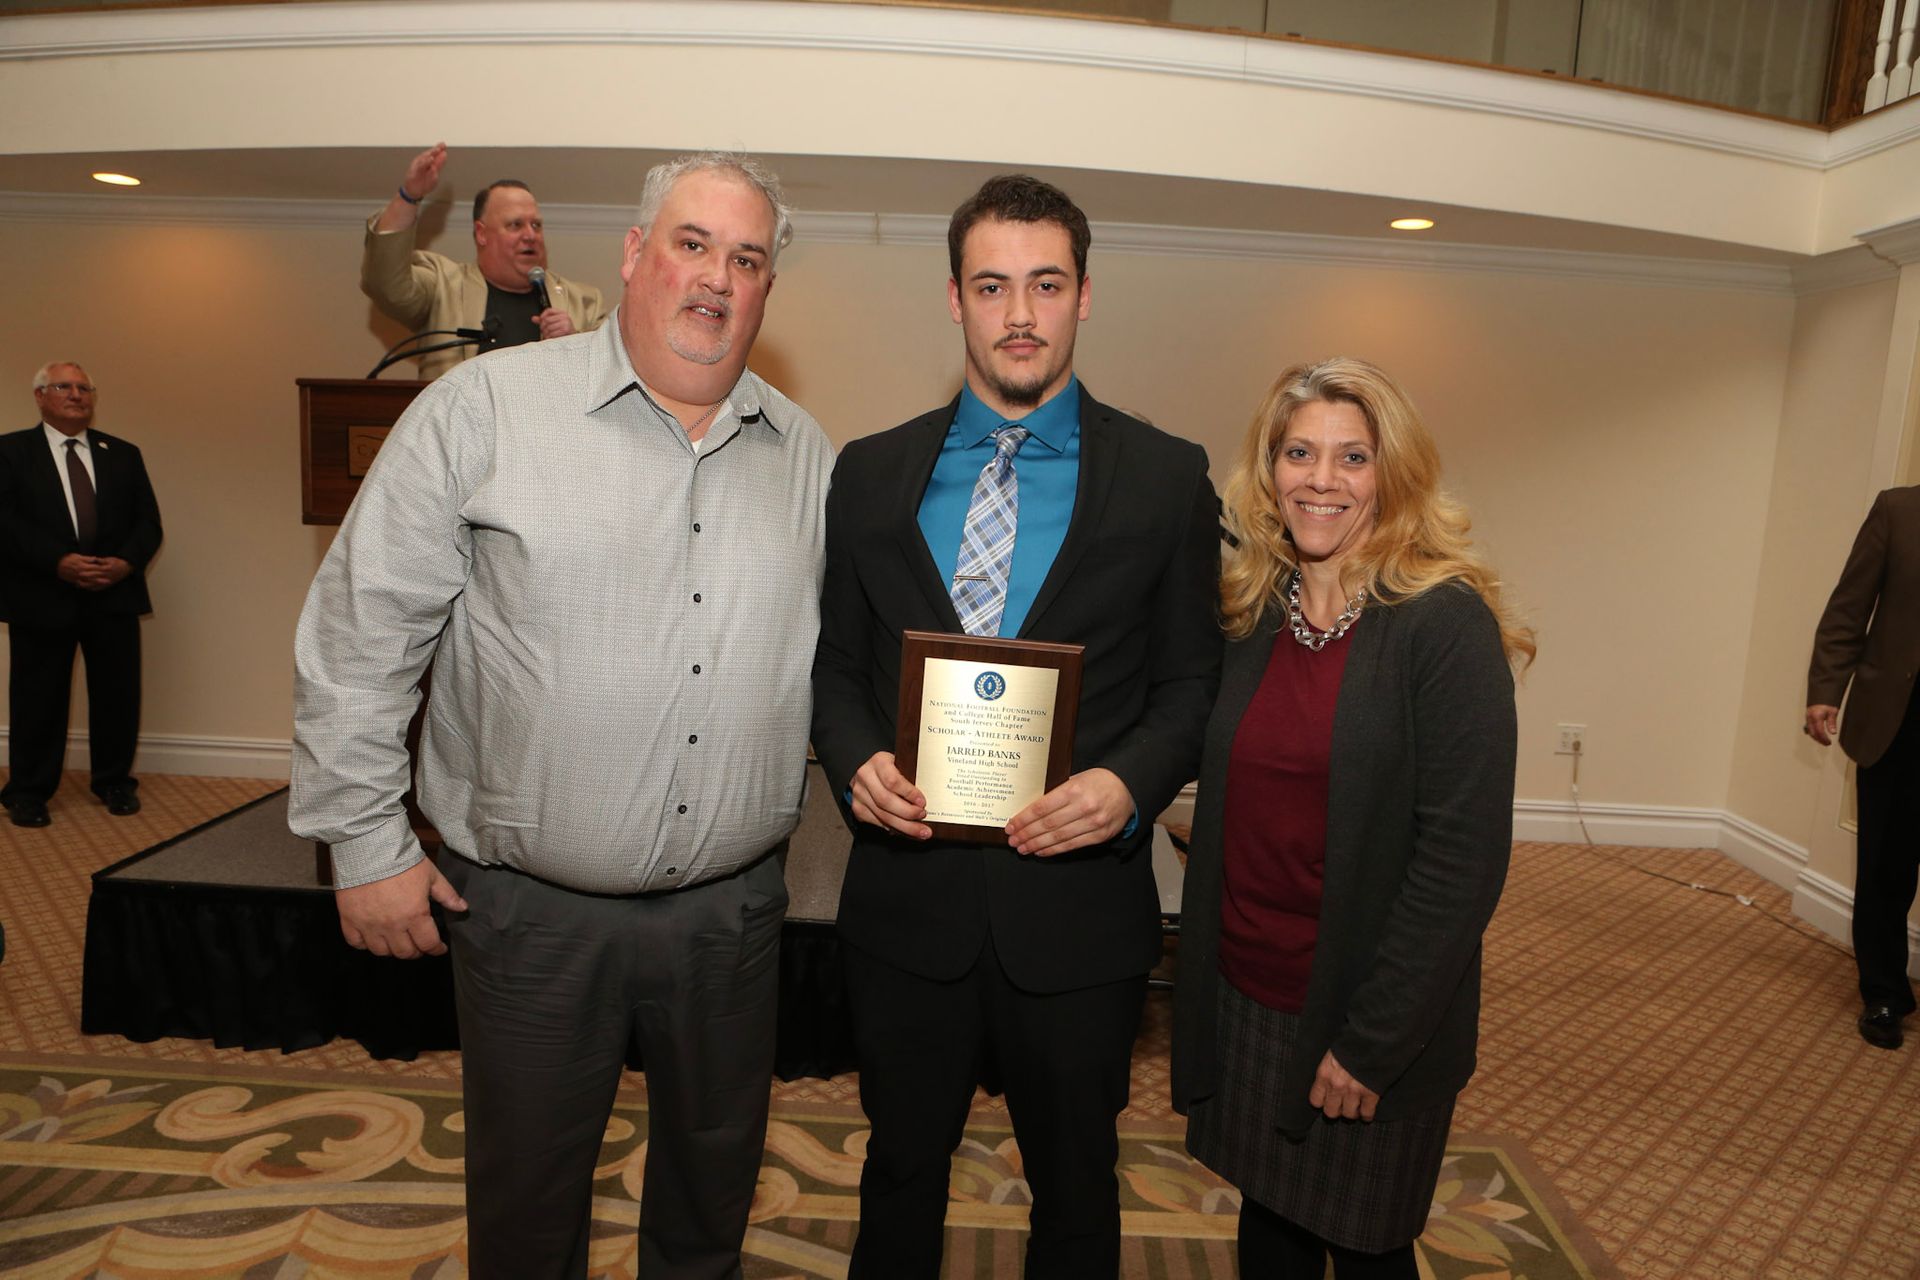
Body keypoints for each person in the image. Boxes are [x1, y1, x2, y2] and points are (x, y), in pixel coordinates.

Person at [293, 152, 833, 1278]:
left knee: (710, 1204)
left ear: (767, 287)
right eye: (692, 244)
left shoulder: (808, 456)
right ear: (635, 255)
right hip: (534, 919)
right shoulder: (483, 410)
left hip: (732, 922)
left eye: (747, 258)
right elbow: (361, 629)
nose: (717, 279)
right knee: (530, 1213)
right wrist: (361, 836)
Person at [810, 174, 1222, 1278]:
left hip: (1078, 918)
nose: (1021, 314)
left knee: (1079, 1192)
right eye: (994, 286)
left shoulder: (1167, 477)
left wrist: (1128, 786)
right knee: (897, 1179)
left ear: (1085, 294)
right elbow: (837, 667)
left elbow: (1194, 684)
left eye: (1046, 284)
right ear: (955, 298)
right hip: (907, 911)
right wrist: (854, 764)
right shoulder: (870, 471)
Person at [1170, 358, 1532, 1278]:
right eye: (1298, 453)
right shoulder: (1253, 612)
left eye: (1352, 457)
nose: (1321, 480)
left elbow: (1462, 862)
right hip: (1248, 992)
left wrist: (1371, 1045)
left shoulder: (1443, 626)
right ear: (1269, 471)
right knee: (1270, 1228)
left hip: (1368, 1015)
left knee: (1367, 1246)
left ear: (1394, 476)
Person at [0, 363, 163, 828]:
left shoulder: (123, 454)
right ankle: (28, 792)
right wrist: (58, 561)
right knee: (37, 698)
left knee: (117, 694)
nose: (76, 394)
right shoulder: (10, 452)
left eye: (83, 387)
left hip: (113, 594)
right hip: (41, 593)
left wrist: (125, 563)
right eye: (63, 387)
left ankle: (114, 782)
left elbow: (148, 523)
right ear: (39, 396)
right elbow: (5, 522)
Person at [1806, 485, 1920, 1051]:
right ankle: (1884, 993)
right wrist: (1826, 689)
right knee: (1885, 866)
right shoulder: (1898, 512)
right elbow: (1849, 607)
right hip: (1899, 723)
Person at [361, 142, 610, 379]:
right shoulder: (443, 286)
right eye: (515, 225)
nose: (530, 235)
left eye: (536, 225)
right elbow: (384, 283)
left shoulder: (584, 303)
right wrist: (408, 196)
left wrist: (575, 341)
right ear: (481, 233)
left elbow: (613, 377)